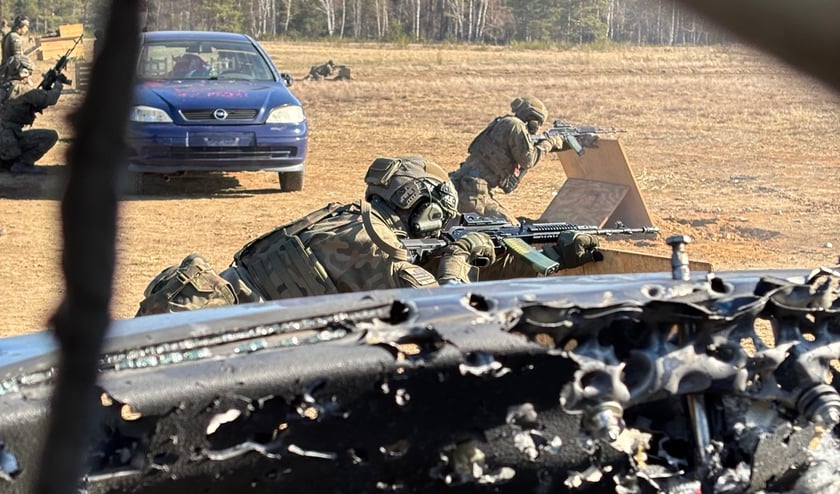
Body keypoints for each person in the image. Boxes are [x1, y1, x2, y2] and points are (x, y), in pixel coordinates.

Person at [136, 156, 603, 316]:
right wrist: (458, 256)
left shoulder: (343, 216)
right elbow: (446, 313)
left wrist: (552, 250)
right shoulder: (381, 251)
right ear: (420, 211)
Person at [448, 96, 571, 224]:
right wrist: (550, 142)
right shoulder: (516, 126)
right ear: (532, 120)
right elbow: (528, 160)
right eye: (538, 123)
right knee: (513, 228)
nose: (538, 128)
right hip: (473, 194)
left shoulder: (504, 122)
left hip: (463, 186)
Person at [0, 58, 62, 174]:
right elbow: (50, 99)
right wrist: (58, 85)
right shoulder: (23, 90)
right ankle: (21, 163)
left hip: (4, 138)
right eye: (29, 73)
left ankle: (6, 162)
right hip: (10, 138)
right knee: (51, 136)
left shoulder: (4, 87)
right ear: (23, 72)